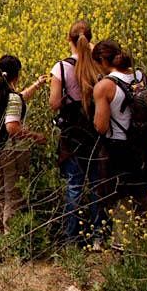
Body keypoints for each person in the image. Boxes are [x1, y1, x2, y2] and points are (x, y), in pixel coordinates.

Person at [92, 40, 147, 248]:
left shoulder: (105, 86)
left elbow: (101, 126)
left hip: (119, 150)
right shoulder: (146, 79)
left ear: (101, 62)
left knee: (122, 199)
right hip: (146, 147)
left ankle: (126, 249)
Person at [48, 21, 105, 246]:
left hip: (72, 134)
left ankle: (72, 237)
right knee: (96, 183)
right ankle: (98, 236)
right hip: (95, 132)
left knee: (74, 185)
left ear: (68, 39)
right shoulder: (98, 66)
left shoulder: (61, 68)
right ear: (89, 40)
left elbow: (54, 103)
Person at [0, 55, 47, 232]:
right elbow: (12, 127)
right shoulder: (11, 97)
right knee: (14, 193)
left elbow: (19, 98)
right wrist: (34, 136)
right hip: (12, 152)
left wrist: (37, 85)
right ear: (17, 74)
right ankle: (11, 235)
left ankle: (1, 230)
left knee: (3, 192)